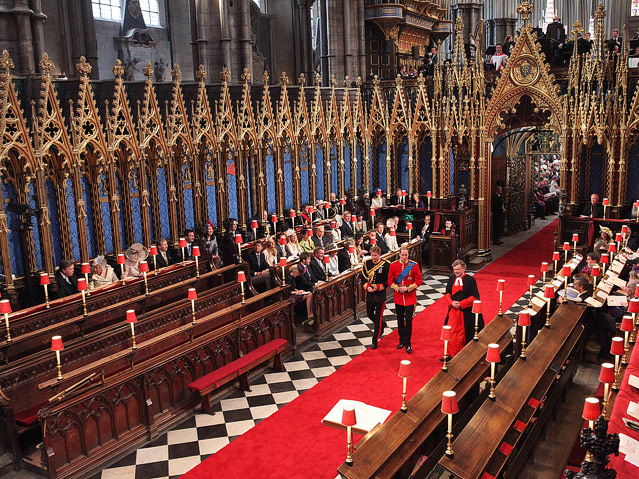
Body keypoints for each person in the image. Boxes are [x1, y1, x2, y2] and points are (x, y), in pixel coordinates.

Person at [443, 259, 482, 356]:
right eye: (454, 269)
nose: (456, 272)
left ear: (463, 268)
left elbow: (475, 296)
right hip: (453, 311)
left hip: (465, 313)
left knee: (462, 334)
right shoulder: (452, 278)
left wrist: (461, 304)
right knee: (451, 332)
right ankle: (450, 354)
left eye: (458, 269)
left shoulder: (470, 280)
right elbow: (447, 293)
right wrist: (451, 303)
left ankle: (461, 355)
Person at [388, 246, 422, 354]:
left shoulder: (414, 265)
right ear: (399, 254)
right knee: (400, 320)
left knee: (408, 320)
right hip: (398, 297)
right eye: (402, 255)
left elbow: (419, 281)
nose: (404, 257)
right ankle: (401, 340)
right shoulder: (393, 266)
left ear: (408, 255)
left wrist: (408, 288)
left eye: (406, 255)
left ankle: (408, 343)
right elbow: (390, 281)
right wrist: (398, 288)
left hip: (410, 297)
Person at [361, 246, 390, 349]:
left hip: (380, 294)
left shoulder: (386, 265)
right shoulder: (367, 264)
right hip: (370, 294)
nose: (374, 257)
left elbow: (388, 281)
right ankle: (383, 324)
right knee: (369, 314)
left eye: (376, 255)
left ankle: (375, 340)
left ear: (379, 255)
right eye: (372, 255)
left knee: (378, 318)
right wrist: (367, 288)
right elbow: (363, 279)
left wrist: (378, 287)